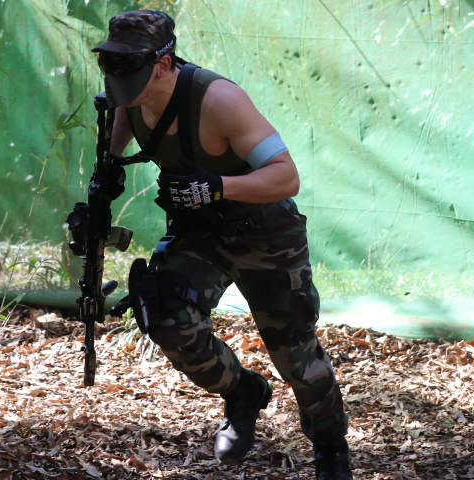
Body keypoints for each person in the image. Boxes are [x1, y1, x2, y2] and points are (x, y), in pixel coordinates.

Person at [91, 10, 353, 480]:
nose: (117, 75)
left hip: (266, 232)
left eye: (128, 66)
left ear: (163, 64)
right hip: (199, 232)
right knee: (167, 317)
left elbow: (287, 177)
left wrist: (215, 187)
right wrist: (107, 169)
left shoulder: (219, 101)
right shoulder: (129, 93)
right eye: (110, 63)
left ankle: (331, 446)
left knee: (296, 358)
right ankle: (243, 392)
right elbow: (125, 117)